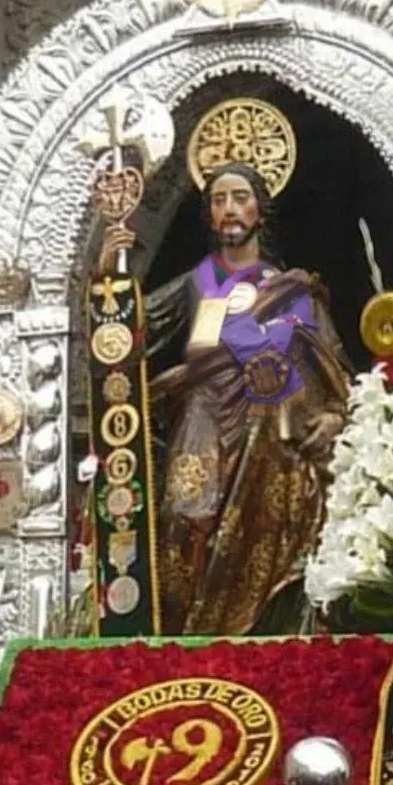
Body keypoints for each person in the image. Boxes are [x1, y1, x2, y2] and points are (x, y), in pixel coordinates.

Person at [96, 161, 352, 635]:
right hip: (205, 411)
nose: (230, 209)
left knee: (273, 501)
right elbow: (125, 331)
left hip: (273, 434)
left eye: (240, 197)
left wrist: (335, 417)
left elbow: (334, 371)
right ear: (210, 216)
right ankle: (186, 638)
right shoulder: (198, 283)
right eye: (218, 200)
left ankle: (262, 632)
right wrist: (109, 275)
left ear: (260, 210)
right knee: (182, 514)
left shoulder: (292, 289)